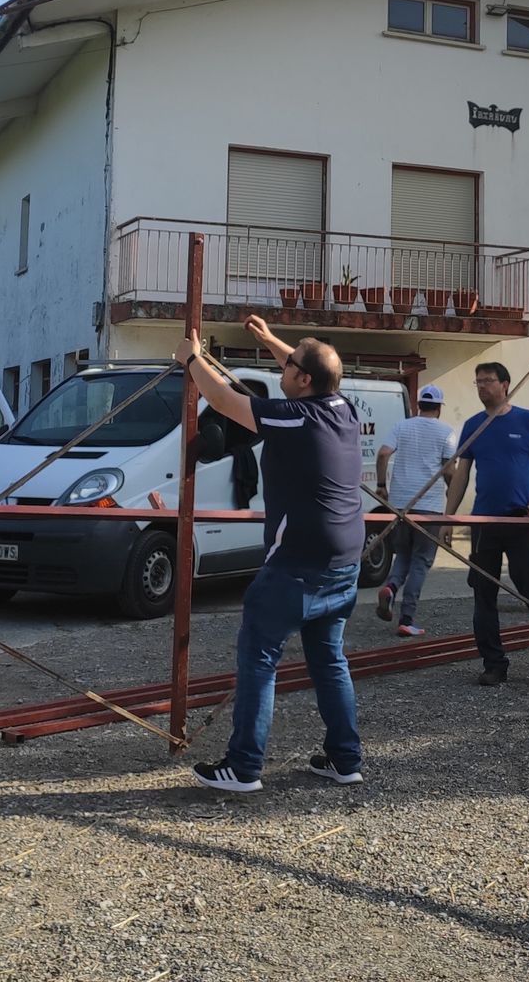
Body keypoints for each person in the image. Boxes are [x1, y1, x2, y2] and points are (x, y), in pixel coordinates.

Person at [178, 315, 364, 793]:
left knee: (258, 658)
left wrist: (192, 360)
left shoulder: (296, 416)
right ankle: (345, 760)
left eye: (289, 363)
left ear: (303, 380)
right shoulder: (341, 408)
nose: (284, 365)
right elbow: (313, 369)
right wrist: (268, 340)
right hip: (344, 560)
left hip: (298, 563)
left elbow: (225, 401)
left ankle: (243, 767)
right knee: (329, 659)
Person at [443, 360, 529, 687]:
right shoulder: (473, 425)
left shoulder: (528, 420)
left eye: (488, 381)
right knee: (483, 594)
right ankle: (494, 665)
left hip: (521, 521)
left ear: (505, 384)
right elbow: (461, 475)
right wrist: (448, 518)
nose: (482, 386)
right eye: (478, 381)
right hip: (484, 523)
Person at [373, 383, 455, 637]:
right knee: (421, 560)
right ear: (439, 408)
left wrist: (381, 486)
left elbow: (383, 454)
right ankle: (406, 619)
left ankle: (390, 587)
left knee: (403, 555)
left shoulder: (402, 426)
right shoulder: (446, 432)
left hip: (400, 505)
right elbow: (450, 471)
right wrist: (452, 493)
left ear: (418, 405)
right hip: (429, 508)